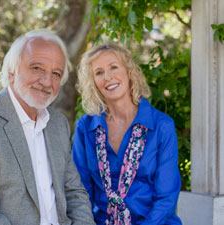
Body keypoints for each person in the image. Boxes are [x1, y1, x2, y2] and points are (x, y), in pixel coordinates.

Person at [0, 29, 95, 225]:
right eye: (37, 68)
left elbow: (74, 192)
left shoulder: (58, 124)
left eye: (56, 74)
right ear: (12, 71)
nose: (47, 81)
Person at [73, 43, 182, 225]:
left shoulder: (161, 126)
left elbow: (166, 199)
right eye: (99, 72)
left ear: (129, 71)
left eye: (113, 67)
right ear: (93, 82)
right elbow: (80, 192)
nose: (107, 77)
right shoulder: (85, 127)